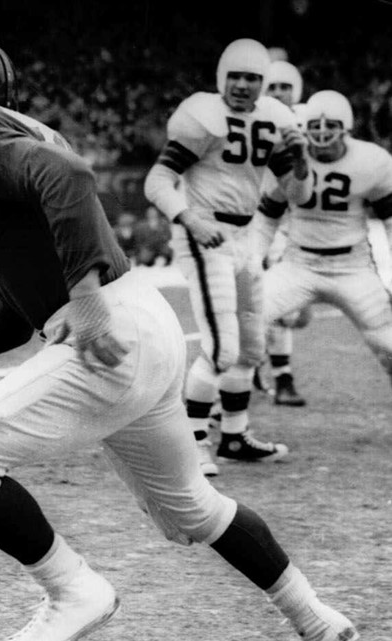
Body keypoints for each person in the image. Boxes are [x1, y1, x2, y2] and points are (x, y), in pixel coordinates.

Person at [0, 37, 358, 641]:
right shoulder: (14, 135)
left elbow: (69, 176)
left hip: (107, 333)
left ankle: (74, 592)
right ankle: (313, 616)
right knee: (193, 509)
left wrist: (84, 299)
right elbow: (6, 316)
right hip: (146, 327)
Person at [143, 38, 312, 477]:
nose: (242, 85)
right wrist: (190, 220)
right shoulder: (203, 116)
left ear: (264, 83)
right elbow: (157, 181)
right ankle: (192, 443)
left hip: (246, 235)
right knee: (221, 348)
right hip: (206, 233)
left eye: (252, 77)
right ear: (222, 78)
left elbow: (299, 195)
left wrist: (302, 161)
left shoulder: (273, 119)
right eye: (235, 75)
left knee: (252, 348)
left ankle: (234, 435)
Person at [256, 90, 392, 405]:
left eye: (329, 129)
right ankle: (224, 422)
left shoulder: (371, 161)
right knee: (244, 324)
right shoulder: (288, 158)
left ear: (345, 129)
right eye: (315, 130)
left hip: (353, 267)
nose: (322, 138)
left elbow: (389, 220)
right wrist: (252, 259)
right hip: (298, 263)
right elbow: (267, 216)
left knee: (387, 344)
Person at [257, 59, 314, 406]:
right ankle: (282, 378)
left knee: (299, 314)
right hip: (265, 219)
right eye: (272, 87)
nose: (278, 93)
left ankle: (260, 365)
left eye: (284, 87)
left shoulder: (310, 120)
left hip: (305, 221)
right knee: (273, 304)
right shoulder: (255, 119)